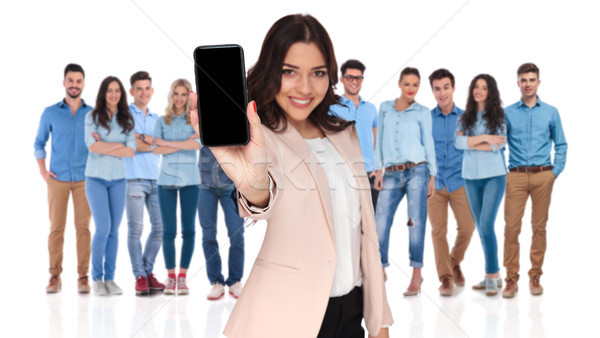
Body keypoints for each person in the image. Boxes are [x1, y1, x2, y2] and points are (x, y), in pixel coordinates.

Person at [190, 14, 392, 338]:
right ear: (271, 71)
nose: (305, 87)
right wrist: (254, 187)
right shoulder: (260, 137)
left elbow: (366, 233)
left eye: (318, 73)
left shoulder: (346, 134)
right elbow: (261, 198)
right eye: (289, 72)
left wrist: (380, 320)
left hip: (352, 311)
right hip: (289, 316)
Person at [502, 63, 568, 298]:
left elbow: (561, 144)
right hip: (516, 176)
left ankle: (535, 274)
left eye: (532, 80)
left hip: (543, 176)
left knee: (539, 226)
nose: (528, 84)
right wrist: (504, 173)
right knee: (511, 227)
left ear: (538, 82)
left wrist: (554, 172)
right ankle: (511, 278)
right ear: (517, 83)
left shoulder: (551, 112)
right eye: (523, 80)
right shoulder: (507, 112)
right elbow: (499, 145)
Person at [373, 67, 436, 296]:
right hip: (390, 172)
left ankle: (417, 275)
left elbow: (428, 143)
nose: (411, 89)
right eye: (407, 84)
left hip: (417, 170)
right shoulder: (385, 109)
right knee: (380, 221)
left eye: (415, 85)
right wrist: (378, 169)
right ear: (400, 84)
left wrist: (432, 175)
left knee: (415, 222)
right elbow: (378, 140)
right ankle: (380, 268)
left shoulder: (422, 112)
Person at [34, 63, 93, 293]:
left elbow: (101, 144)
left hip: (84, 179)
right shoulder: (50, 112)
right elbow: (39, 142)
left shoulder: (92, 113)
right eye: (71, 80)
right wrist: (43, 171)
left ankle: (83, 276)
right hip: (57, 178)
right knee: (56, 227)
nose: (74, 85)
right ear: (64, 83)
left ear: (83, 84)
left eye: (78, 81)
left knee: (83, 228)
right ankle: (54, 275)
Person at [453, 74, 507, 296]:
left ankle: (492, 275)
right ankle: (492, 277)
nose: (479, 91)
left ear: (490, 92)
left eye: (484, 88)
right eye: (476, 87)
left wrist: (471, 143)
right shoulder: (464, 118)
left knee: (485, 225)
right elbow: (457, 142)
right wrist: (485, 137)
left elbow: (499, 145)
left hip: (494, 176)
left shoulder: (499, 117)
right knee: (482, 227)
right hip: (470, 178)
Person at [84, 76, 136, 295]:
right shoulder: (92, 117)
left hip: (118, 180)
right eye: (109, 90)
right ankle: (96, 278)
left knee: (114, 230)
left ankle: (110, 279)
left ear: (121, 94)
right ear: (103, 93)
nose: (113, 94)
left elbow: (131, 150)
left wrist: (105, 144)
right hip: (95, 179)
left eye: (117, 90)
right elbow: (92, 147)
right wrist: (118, 146)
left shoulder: (127, 119)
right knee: (102, 228)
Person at [427, 69, 475, 296]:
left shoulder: (467, 118)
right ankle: (446, 277)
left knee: (468, 226)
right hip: (434, 184)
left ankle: (454, 261)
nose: (442, 93)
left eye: (446, 87)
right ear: (433, 91)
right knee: (438, 231)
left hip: (459, 181)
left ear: (453, 88)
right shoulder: (426, 119)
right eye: (437, 88)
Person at [152, 79, 201, 296]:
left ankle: (182, 277)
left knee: (188, 231)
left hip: (191, 181)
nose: (180, 98)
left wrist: (167, 144)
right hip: (166, 182)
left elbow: (197, 144)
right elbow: (154, 150)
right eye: (176, 94)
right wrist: (183, 143)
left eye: (183, 94)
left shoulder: (196, 120)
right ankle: (170, 277)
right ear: (171, 96)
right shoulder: (162, 121)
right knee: (169, 231)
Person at [124, 71, 165, 296]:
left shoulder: (156, 119)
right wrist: (150, 141)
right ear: (132, 92)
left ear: (152, 90)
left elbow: (162, 145)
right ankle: (139, 277)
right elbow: (131, 145)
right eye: (139, 88)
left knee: (160, 228)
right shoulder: (125, 116)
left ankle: (148, 272)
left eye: (147, 88)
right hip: (134, 180)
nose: (144, 92)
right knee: (136, 229)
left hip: (155, 179)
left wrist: (143, 139)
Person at [329, 59, 379, 209]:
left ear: (362, 80)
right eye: (350, 77)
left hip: (369, 173)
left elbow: (376, 139)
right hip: (344, 172)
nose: (354, 81)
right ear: (342, 79)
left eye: (358, 77)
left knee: (371, 223)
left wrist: (377, 169)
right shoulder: (333, 107)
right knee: (346, 222)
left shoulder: (371, 108)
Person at [198, 146, 245, 300]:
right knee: (208, 235)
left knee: (237, 233)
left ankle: (235, 281)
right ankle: (216, 282)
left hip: (230, 184)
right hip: (205, 185)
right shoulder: (201, 122)